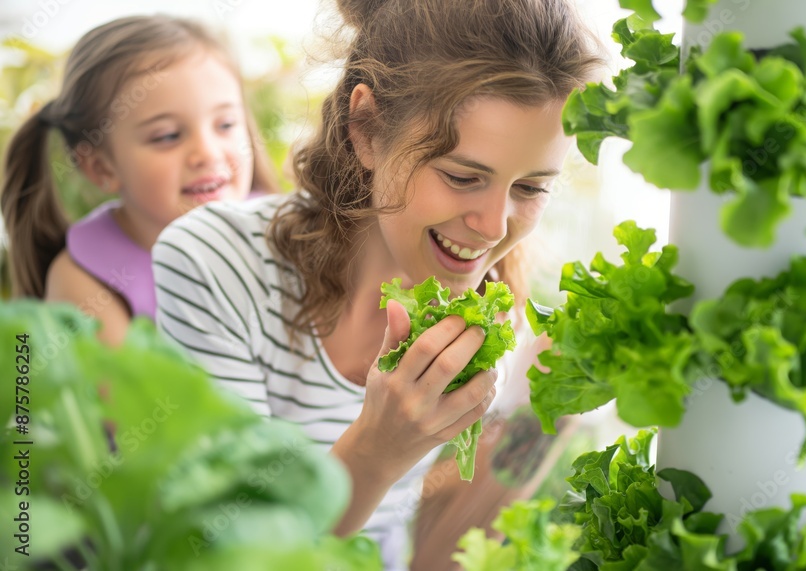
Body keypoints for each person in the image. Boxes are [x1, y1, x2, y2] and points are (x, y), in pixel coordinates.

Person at [151, 0, 604, 568]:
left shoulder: (492, 321)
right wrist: (375, 451)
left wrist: (548, 413)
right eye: (463, 176)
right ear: (365, 127)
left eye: (532, 187)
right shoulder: (214, 265)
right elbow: (225, 553)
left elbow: (438, 540)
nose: (492, 226)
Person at [1, 15, 279, 346]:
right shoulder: (86, 281)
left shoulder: (282, 230)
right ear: (102, 168)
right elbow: (121, 395)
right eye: (168, 136)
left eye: (226, 125)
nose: (208, 153)